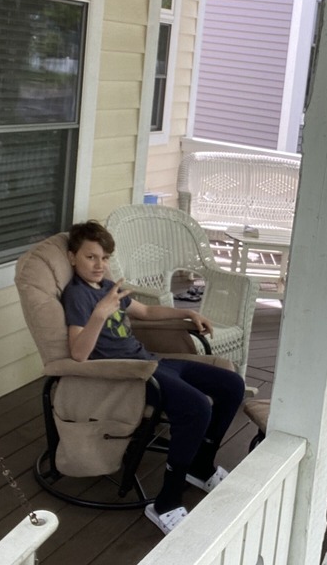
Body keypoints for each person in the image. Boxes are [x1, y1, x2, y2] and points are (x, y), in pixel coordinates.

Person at [62, 221, 246, 535]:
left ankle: (200, 467)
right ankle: (166, 503)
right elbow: (79, 353)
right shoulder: (76, 297)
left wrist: (187, 314)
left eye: (104, 258)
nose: (99, 265)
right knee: (197, 407)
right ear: (72, 257)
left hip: (152, 362)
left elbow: (145, 313)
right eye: (91, 257)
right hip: (129, 377)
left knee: (232, 385)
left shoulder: (108, 287)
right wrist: (99, 315)